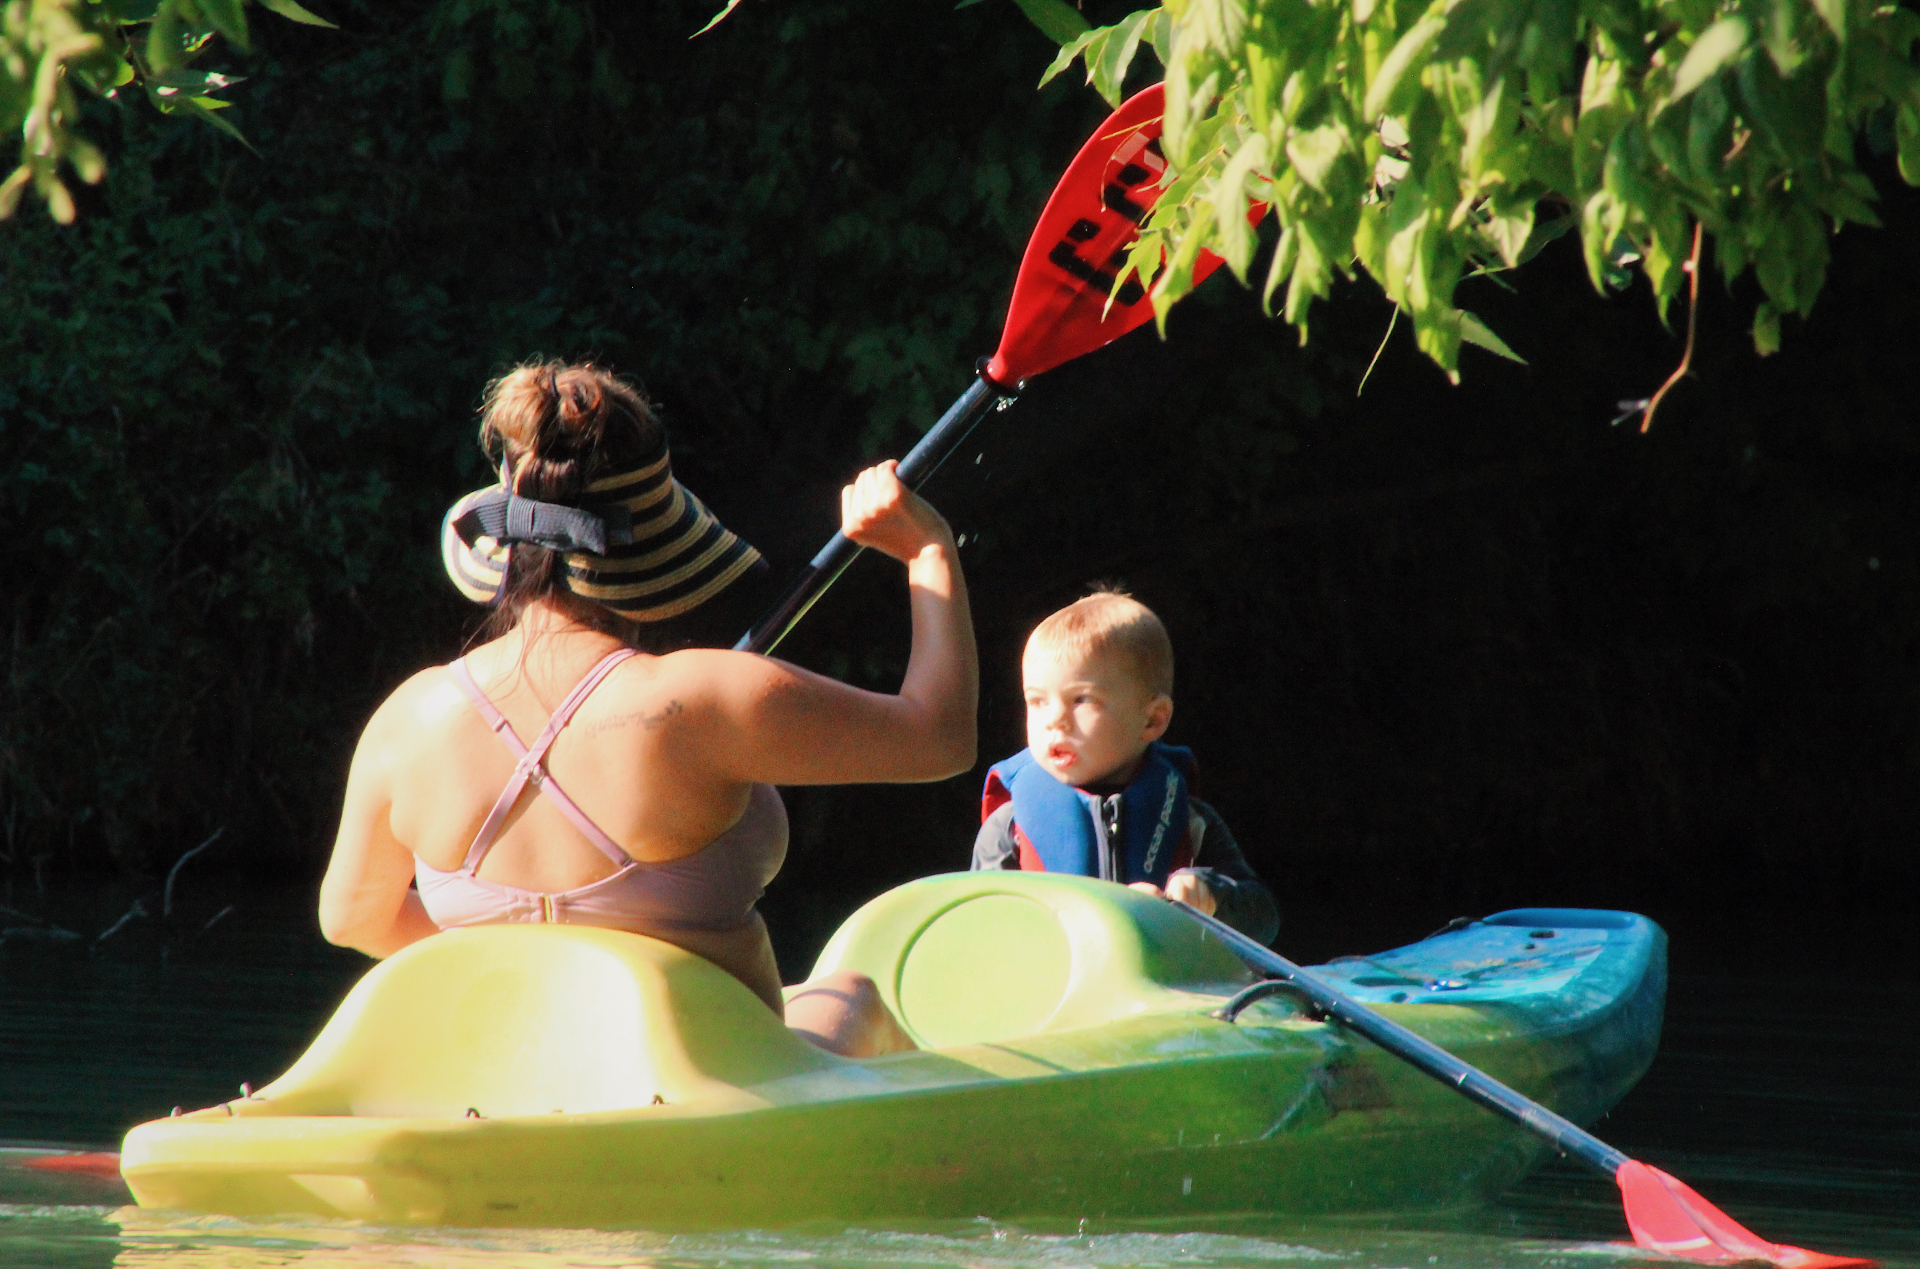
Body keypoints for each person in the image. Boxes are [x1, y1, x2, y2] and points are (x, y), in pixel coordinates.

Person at [319, 360, 977, 1058]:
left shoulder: (410, 716)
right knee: (851, 997)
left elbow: (354, 918)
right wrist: (926, 550)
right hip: (716, 1086)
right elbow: (940, 737)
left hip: (504, 1075)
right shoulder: (706, 698)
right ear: (652, 543)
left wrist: (540, 967)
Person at [972, 591, 1279, 943]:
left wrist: (1210, 895)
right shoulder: (1009, 826)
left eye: (1082, 700)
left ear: (1152, 720)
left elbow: (1264, 920)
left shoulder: (1191, 822)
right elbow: (978, 932)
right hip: (1052, 993)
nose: (1054, 720)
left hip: (1166, 992)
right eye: (1037, 701)